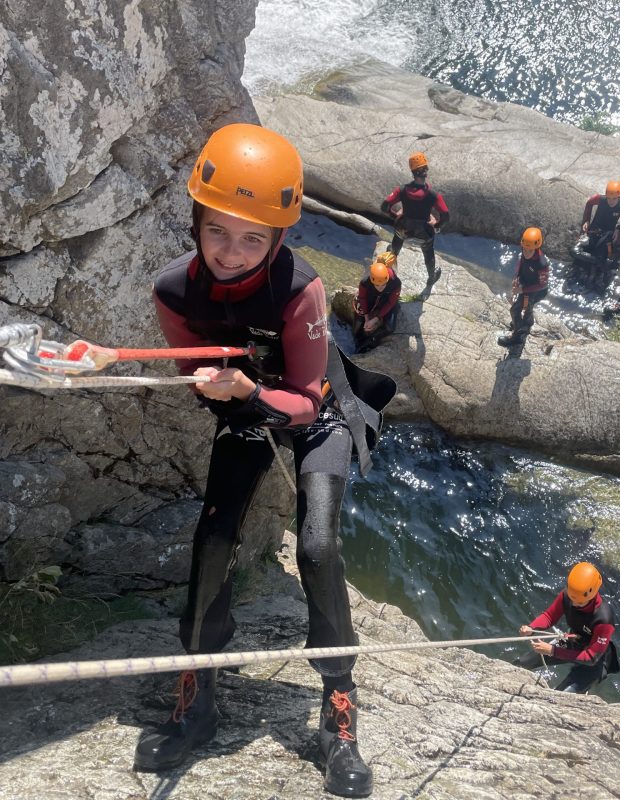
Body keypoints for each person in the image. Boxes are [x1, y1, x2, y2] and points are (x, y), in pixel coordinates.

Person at [136, 123, 395, 798]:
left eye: (253, 238)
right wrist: (223, 392)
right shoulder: (174, 293)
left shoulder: (300, 290)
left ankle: (339, 707)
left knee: (317, 547)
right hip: (246, 412)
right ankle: (199, 686)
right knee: (212, 540)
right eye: (217, 230)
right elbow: (197, 369)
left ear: (279, 239)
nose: (231, 252)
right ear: (196, 221)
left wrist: (252, 392)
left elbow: (309, 402)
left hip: (314, 414)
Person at [516, 562, 619, 694]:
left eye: (580, 602)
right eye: (572, 598)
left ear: (592, 594)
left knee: (559, 696)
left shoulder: (603, 619)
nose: (575, 604)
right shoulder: (569, 595)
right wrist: (531, 627)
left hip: (594, 662)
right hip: (574, 642)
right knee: (522, 663)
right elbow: (549, 616)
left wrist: (552, 650)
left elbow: (591, 657)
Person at [381, 152, 450, 285]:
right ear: (426, 172)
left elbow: (385, 206)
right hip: (424, 230)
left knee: (396, 242)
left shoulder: (401, 190)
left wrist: (395, 216)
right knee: (428, 251)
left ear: (412, 172)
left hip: (403, 227)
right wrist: (435, 225)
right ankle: (431, 277)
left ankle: (390, 263)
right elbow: (446, 216)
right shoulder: (433, 195)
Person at [570, 180, 620, 292]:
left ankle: (595, 271)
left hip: (608, 234)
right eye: (609, 198)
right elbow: (589, 203)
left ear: (619, 196)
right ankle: (583, 267)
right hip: (594, 229)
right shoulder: (600, 199)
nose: (611, 201)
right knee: (579, 250)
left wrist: (618, 228)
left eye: (614, 198)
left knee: (602, 254)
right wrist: (586, 220)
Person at [498, 227, 549, 347]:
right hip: (527, 285)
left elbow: (542, 285)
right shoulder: (526, 250)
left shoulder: (542, 263)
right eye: (524, 249)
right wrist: (517, 277)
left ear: (536, 247)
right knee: (527, 307)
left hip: (535, 291)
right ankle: (527, 321)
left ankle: (517, 335)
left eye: (529, 250)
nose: (526, 252)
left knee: (515, 309)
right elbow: (521, 263)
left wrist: (522, 290)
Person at [353, 252, 402, 353]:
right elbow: (362, 298)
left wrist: (375, 319)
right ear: (371, 281)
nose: (380, 288)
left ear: (387, 279)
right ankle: (356, 337)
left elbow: (391, 303)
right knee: (359, 316)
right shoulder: (365, 282)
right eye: (377, 285)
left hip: (386, 300)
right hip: (371, 297)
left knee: (390, 328)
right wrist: (366, 317)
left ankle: (372, 340)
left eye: (383, 285)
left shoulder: (395, 282)